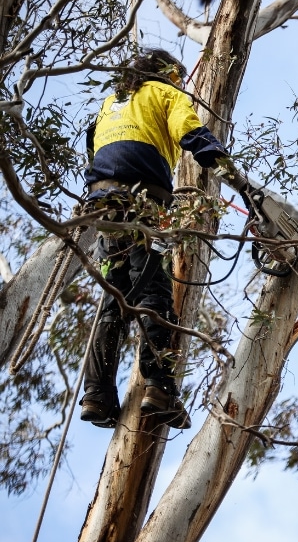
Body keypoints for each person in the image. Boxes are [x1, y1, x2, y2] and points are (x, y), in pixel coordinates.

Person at [80, 48, 230, 429]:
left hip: (103, 203)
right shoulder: (167, 93)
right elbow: (188, 131)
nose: (181, 84)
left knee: (114, 295)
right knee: (154, 293)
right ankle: (160, 388)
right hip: (144, 199)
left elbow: (91, 144)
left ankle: (97, 395)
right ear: (167, 75)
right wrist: (223, 163)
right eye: (178, 78)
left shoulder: (112, 100)